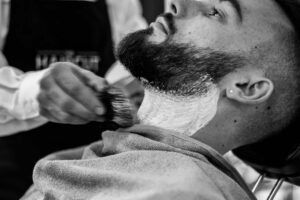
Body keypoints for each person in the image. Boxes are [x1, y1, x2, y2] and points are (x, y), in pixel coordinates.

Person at [19, 0, 300, 199]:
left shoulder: (181, 193)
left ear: (247, 87)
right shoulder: (117, 164)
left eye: (216, 11)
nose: (178, 4)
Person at [0, 0, 147, 199]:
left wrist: (129, 84)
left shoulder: (120, 3)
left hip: (93, 165)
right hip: (14, 164)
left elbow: (134, 57)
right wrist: (27, 92)